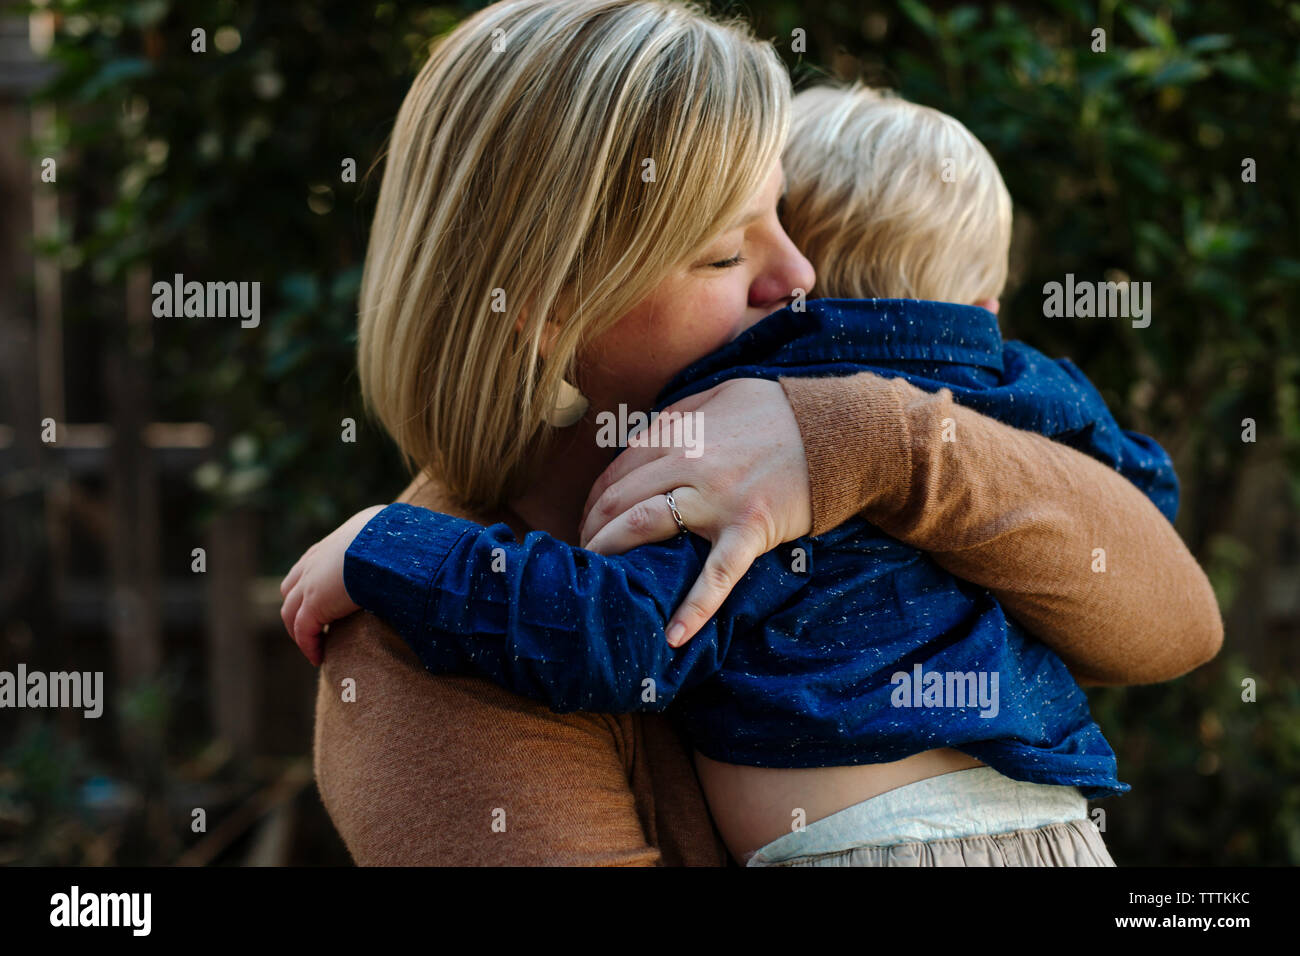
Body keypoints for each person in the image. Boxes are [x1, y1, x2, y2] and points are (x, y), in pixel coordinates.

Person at [300, 0, 1222, 866]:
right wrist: (400, 554)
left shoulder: (843, 432)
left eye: (780, 213)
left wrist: (873, 443)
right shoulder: (420, 649)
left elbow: (1176, 623)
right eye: (726, 251)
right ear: (549, 311)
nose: (800, 272)